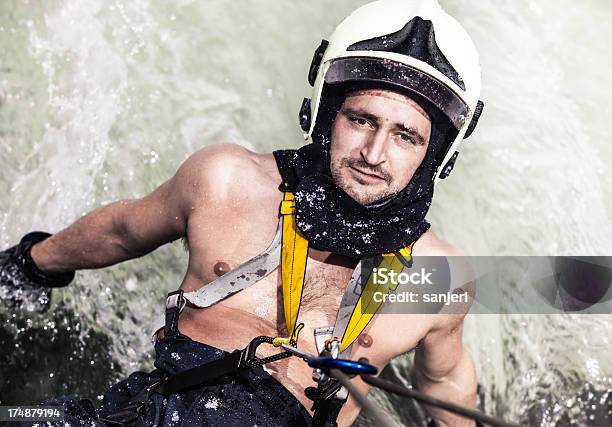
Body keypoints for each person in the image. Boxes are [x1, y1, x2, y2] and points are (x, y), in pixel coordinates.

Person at [0, 0, 486, 425]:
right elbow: (123, 230)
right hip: (146, 416)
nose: (374, 153)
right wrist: (29, 264)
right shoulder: (226, 180)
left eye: (406, 136)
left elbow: (445, 379)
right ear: (326, 113)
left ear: (435, 154)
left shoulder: (440, 276)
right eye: (361, 120)